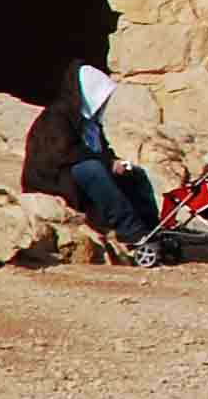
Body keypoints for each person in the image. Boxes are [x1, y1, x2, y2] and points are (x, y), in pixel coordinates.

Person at [20, 62, 163, 267]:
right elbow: (66, 152)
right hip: (53, 179)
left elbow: (100, 151)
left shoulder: (90, 123)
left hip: (77, 172)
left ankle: (152, 227)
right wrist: (107, 163)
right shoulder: (57, 117)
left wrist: (115, 162)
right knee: (92, 170)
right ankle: (131, 232)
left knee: (134, 172)